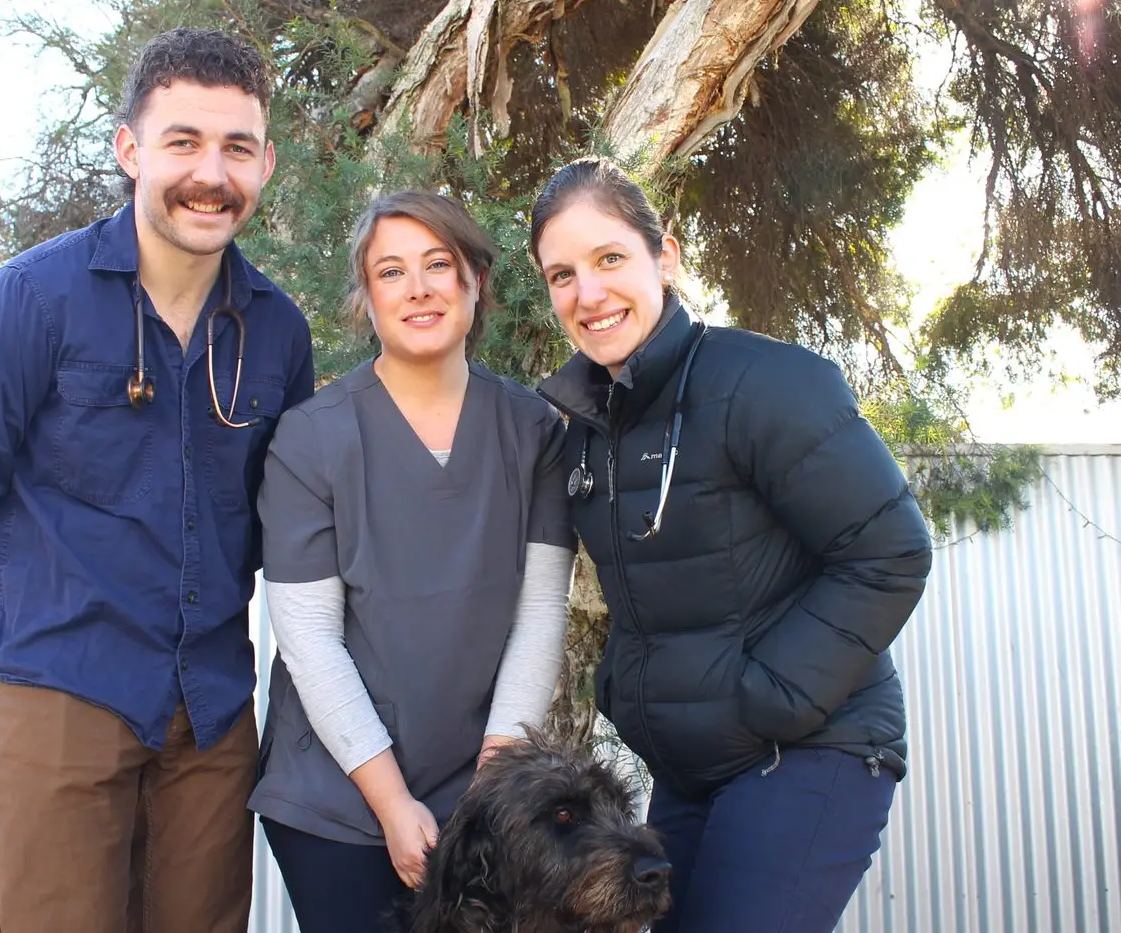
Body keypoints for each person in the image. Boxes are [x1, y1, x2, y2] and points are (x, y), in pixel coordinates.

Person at [0, 27, 314, 933]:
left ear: (266, 163)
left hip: (209, 710)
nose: (212, 173)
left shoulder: (277, 331)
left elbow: (286, 515)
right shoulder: (33, 299)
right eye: (183, 142)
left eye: (237, 147)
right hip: (59, 691)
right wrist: (39, 610)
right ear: (130, 150)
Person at [527, 156, 934, 933]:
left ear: (665, 256)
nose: (588, 293)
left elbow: (889, 550)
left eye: (610, 258)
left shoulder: (766, 383)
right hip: (689, 768)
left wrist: (767, 699)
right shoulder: (583, 428)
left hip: (808, 750)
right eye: (561, 275)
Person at [247, 190, 578, 933]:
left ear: (475, 282)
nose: (419, 287)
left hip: (480, 784)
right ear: (367, 297)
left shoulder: (533, 431)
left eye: (439, 264)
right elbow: (309, 639)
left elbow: (539, 613)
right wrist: (393, 803)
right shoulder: (312, 439)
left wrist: (492, 792)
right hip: (337, 790)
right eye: (391, 272)